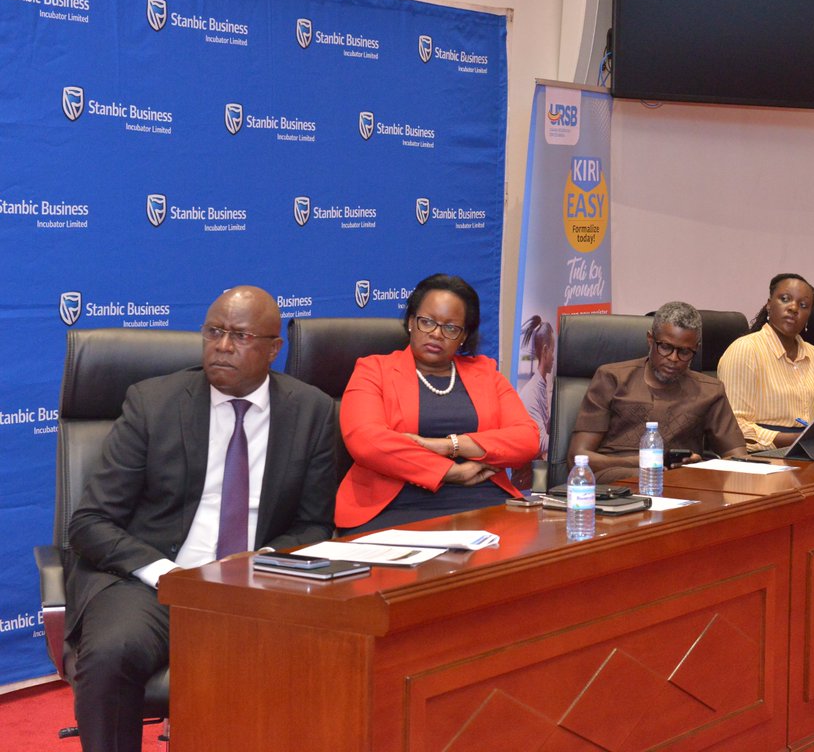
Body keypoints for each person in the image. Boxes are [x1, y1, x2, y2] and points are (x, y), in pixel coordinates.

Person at [66, 286, 338, 752]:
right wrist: (168, 575)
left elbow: (315, 524)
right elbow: (90, 521)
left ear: (275, 349)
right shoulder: (153, 403)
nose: (223, 346)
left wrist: (262, 563)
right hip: (153, 583)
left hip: (256, 584)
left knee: (330, 656)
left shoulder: (313, 412)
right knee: (111, 653)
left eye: (240, 335)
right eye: (214, 331)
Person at [336, 274, 540, 531]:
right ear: (411, 322)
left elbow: (527, 439)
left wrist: (449, 445)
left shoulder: (485, 373)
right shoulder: (374, 370)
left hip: (484, 501)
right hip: (396, 507)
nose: (436, 334)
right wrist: (451, 472)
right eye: (427, 322)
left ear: (464, 335)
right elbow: (366, 442)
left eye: (450, 328)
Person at [569, 301, 747, 483]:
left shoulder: (710, 391)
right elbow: (577, 457)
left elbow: (738, 457)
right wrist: (640, 463)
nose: (673, 358)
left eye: (684, 352)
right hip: (616, 485)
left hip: (679, 486)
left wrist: (698, 468)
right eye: (666, 347)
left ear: (696, 349)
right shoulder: (612, 378)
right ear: (650, 340)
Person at [717, 273, 814, 451]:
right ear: (769, 305)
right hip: (762, 455)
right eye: (785, 299)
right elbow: (733, 424)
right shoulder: (745, 350)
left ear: (809, 315)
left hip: (809, 450)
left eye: (803, 305)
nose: (794, 308)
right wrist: (788, 439)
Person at [518, 314, 555, 459]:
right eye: (552, 351)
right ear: (545, 351)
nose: (553, 357)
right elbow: (540, 442)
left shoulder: (542, 386)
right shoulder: (531, 392)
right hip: (527, 475)